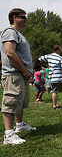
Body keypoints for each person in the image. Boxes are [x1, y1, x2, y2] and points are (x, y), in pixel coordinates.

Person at [0, 8, 36, 145]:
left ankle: (20, 125)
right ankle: (8, 135)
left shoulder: (18, 34)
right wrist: (24, 71)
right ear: (15, 17)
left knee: (18, 102)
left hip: (21, 74)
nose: (26, 20)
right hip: (14, 74)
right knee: (10, 102)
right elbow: (10, 53)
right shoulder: (10, 32)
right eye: (23, 17)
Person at [39, 45, 62, 109]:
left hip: (51, 77)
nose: (60, 51)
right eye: (60, 50)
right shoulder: (60, 58)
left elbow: (40, 59)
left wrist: (40, 66)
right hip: (57, 76)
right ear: (57, 50)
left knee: (55, 91)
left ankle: (56, 104)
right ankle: (55, 105)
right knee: (55, 91)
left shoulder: (49, 56)